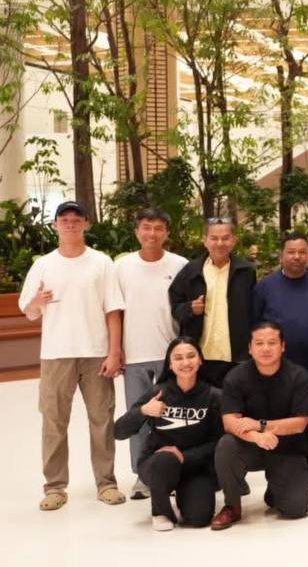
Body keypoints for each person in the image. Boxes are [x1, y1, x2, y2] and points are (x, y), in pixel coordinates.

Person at [20, 200, 126, 511]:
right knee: (53, 422)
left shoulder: (101, 262)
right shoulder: (43, 265)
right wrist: (38, 301)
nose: (70, 224)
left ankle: (106, 483)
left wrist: (114, 351)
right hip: (56, 354)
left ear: (85, 224)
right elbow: (28, 311)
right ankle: (54, 487)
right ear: (55, 225)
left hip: (96, 353)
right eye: (64, 219)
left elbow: (113, 309)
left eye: (76, 219)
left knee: (102, 420)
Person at [114, 208, 188, 500]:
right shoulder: (122, 266)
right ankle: (142, 475)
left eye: (158, 228)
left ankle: (174, 471)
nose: (152, 233)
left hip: (171, 354)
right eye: (146, 227)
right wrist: (116, 349)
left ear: (167, 232)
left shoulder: (180, 264)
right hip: (134, 354)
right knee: (139, 416)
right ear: (137, 231)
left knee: (174, 416)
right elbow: (114, 311)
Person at [211, 321, 308, 530]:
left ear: (283, 346)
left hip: (287, 447)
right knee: (226, 445)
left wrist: (261, 425)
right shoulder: (235, 377)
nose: (265, 348)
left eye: (272, 343)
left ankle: (275, 490)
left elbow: (300, 424)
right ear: (250, 348)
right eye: (259, 343)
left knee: (296, 509)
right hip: (250, 446)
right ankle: (232, 506)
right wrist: (257, 436)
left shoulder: (299, 377)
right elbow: (229, 423)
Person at [113, 337, 222, 529]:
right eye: (178, 358)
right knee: (166, 459)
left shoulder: (213, 396)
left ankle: (184, 496)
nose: (185, 362)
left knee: (199, 518)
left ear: (200, 360)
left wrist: (184, 457)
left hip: (194, 466)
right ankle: (160, 511)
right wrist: (143, 411)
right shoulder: (158, 392)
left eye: (191, 356)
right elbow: (119, 431)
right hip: (158, 465)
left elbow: (218, 443)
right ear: (170, 364)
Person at [252, 232, 308, 485]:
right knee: (279, 418)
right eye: (291, 252)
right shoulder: (266, 286)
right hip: (275, 370)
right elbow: (255, 324)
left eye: (302, 252)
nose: (296, 257)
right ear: (281, 255)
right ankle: (278, 469)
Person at [170, 218, 257, 387]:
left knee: (235, 401)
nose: (220, 243)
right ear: (205, 241)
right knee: (205, 401)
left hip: (236, 356)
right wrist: (190, 309)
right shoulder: (191, 270)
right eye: (214, 238)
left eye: (225, 238)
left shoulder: (246, 271)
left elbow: (254, 311)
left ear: (234, 240)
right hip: (201, 356)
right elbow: (175, 304)